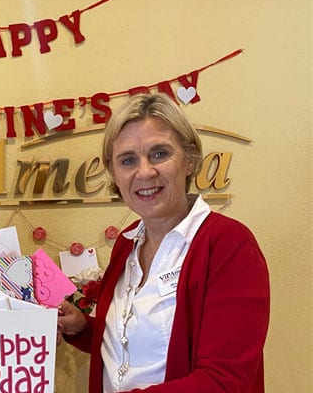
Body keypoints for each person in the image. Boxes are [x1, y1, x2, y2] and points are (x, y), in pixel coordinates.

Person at [57, 93, 270, 393]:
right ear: (114, 174)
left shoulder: (230, 247)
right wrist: (82, 328)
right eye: (128, 160)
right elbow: (136, 350)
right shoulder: (126, 244)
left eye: (159, 154)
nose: (145, 172)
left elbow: (224, 381)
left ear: (189, 160)